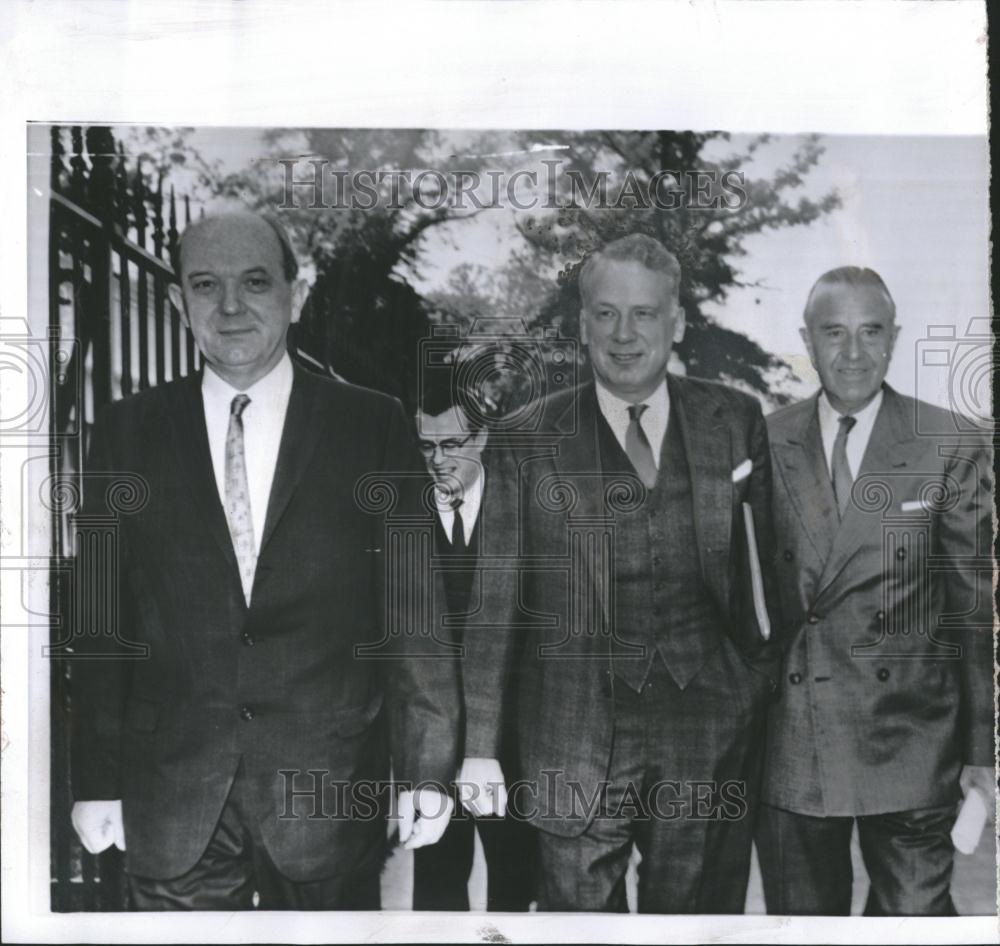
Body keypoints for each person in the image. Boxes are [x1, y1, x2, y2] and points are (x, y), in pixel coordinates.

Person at [68, 209, 459, 910]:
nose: (230, 307)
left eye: (254, 282)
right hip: (173, 793)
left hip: (328, 789)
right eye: (205, 285)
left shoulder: (372, 427)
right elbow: (100, 625)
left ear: (294, 294)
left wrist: (426, 770)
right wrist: (96, 780)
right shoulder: (127, 434)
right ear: (176, 302)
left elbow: (414, 617)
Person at [459, 233, 783, 913]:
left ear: (677, 322)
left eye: (644, 313)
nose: (624, 333)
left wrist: (750, 687)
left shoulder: (735, 420)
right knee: (579, 926)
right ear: (582, 323)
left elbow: (769, 578)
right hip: (570, 728)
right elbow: (493, 604)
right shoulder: (526, 438)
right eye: (605, 313)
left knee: (692, 922)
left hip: (705, 728)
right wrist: (481, 749)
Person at [756, 266, 995, 915]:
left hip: (913, 742)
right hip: (794, 745)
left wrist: (981, 751)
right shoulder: (766, 439)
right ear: (807, 340)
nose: (853, 353)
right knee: (803, 932)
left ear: (894, 338)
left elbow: (971, 610)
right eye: (834, 333)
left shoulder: (948, 442)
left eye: (870, 332)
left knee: (915, 927)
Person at [410, 372, 536, 911]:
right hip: (430, 740)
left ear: (482, 438)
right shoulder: (400, 514)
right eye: (426, 446)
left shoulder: (527, 508)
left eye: (452, 445)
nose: (438, 460)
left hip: (514, 736)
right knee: (437, 887)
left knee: (518, 882)